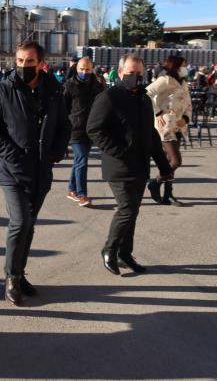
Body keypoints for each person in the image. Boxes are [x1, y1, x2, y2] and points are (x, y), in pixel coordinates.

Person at [0, 42, 69, 306]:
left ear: (41, 63)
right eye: (19, 61)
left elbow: (64, 125)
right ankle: (11, 278)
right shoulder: (1, 90)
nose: (23, 66)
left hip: (41, 171)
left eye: (29, 62)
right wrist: (13, 154)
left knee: (29, 225)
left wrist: (57, 152)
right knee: (20, 222)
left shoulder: (54, 91)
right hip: (12, 170)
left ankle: (20, 272)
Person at [86, 54, 172, 276]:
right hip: (119, 166)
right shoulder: (109, 97)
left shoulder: (143, 99)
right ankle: (110, 249)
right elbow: (94, 129)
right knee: (127, 209)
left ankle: (125, 253)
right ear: (121, 72)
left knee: (133, 211)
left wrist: (163, 165)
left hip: (140, 165)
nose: (135, 77)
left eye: (139, 73)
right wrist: (119, 151)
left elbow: (150, 133)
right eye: (131, 73)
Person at [145, 55, 192, 206]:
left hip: (178, 125)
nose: (186, 67)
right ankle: (155, 182)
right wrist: (157, 112)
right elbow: (147, 93)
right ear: (175, 66)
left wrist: (186, 118)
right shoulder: (164, 80)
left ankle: (168, 194)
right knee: (176, 161)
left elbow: (188, 103)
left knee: (169, 161)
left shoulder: (184, 83)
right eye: (184, 65)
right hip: (165, 126)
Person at [63, 57, 104, 207]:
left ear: (92, 69)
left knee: (79, 161)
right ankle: (82, 194)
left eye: (87, 69)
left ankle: (72, 190)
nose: (84, 72)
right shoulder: (69, 86)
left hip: (91, 129)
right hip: (75, 130)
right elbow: (63, 109)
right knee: (82, 161)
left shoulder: (97, 86)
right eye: (81, 69)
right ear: (76, 69)